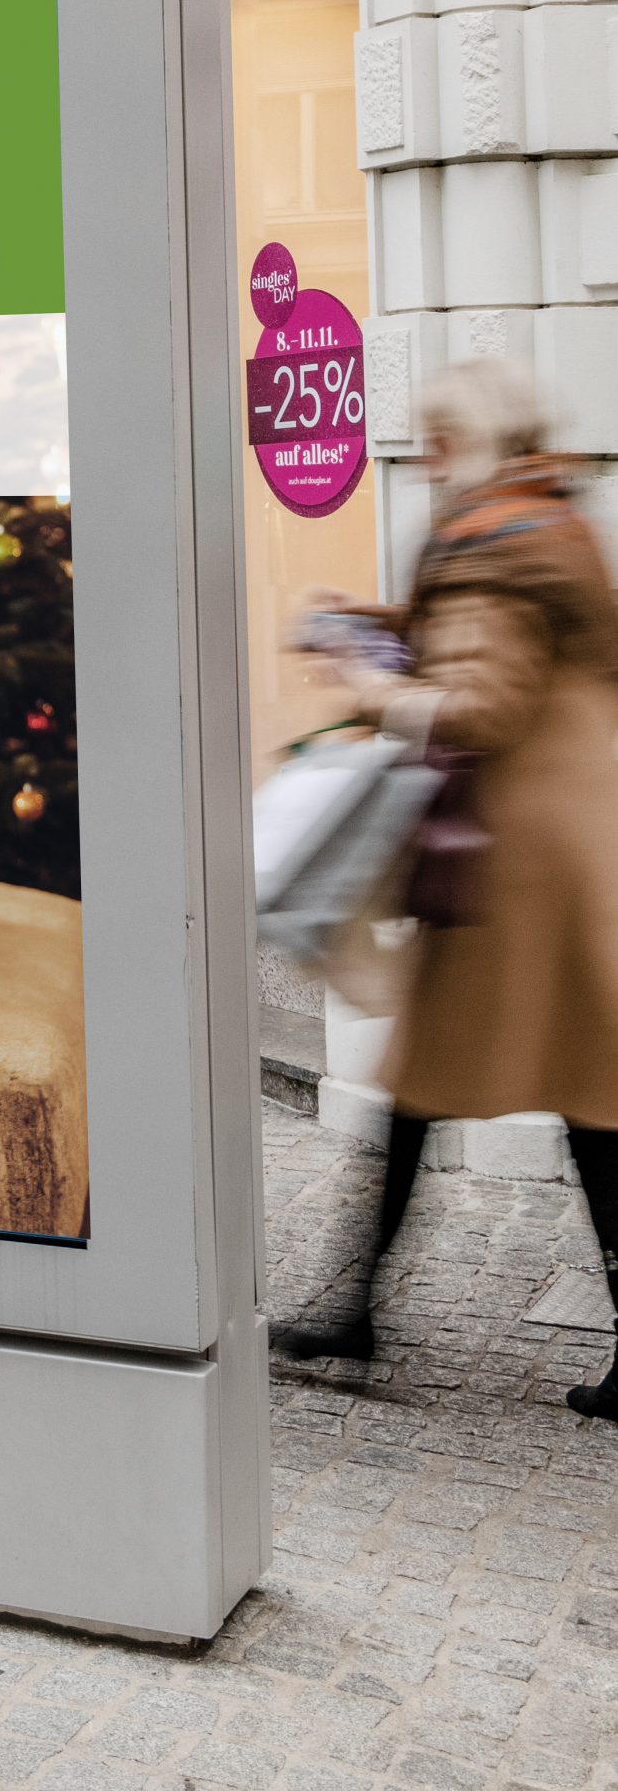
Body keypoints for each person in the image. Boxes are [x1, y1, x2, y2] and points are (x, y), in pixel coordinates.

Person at [279, 361, 618, 1420]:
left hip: (512, 868)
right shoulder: (542, 523)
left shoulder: (489, 548)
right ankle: (355, 1306)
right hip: (565, 846)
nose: (422, 465)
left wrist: (377, 685)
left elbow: (480, 700)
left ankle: (352, 1311)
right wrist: (374, 622)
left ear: (468, 445)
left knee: (458, 1088)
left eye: (433, 444)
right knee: (569, 1094)